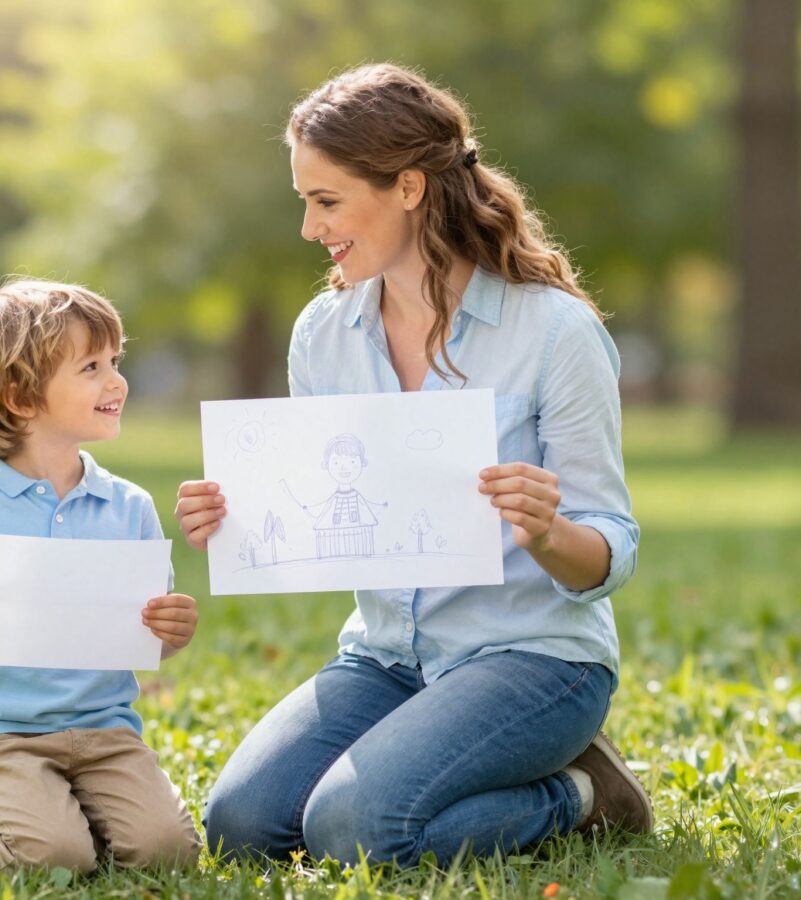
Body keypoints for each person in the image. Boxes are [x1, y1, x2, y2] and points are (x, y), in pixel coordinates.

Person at [175, 64, 651, 866]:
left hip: (535, 659)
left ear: (407, 187)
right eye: (304, 201)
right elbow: (322, 512)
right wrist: (237, 519)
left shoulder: (554, 334)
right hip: (387, 657)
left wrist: (546, 533)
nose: (309, 227)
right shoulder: (323, 334)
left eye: (327, 201)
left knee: (353, 828)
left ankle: (582, 795)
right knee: (241, 826)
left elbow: (611, 547)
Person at [0, 280, 202, 872]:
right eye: (91, 367)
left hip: (105, 731)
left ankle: (73, 816)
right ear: (20, 397)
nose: (116, 381)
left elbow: (145, 640)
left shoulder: (129, 506)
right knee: (53, 858)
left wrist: (171, 632)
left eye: (115, 362)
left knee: (168, 853)